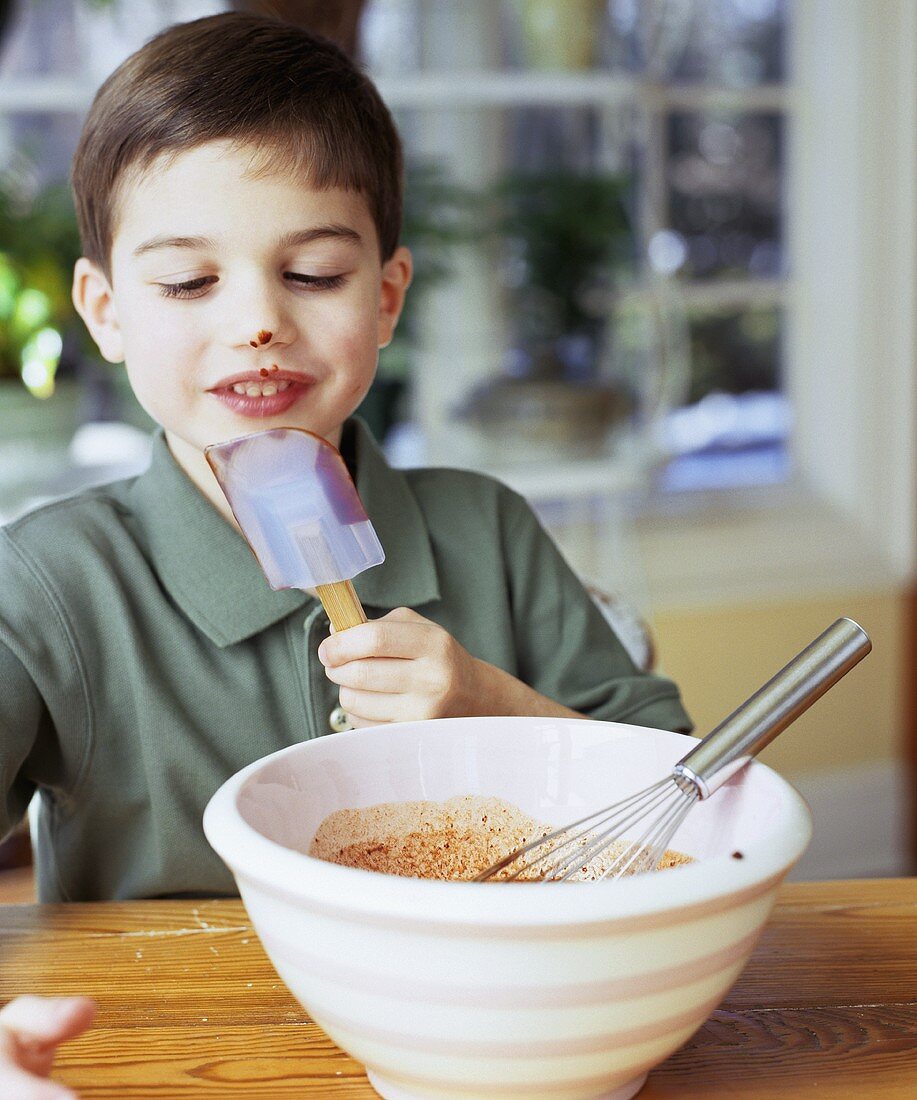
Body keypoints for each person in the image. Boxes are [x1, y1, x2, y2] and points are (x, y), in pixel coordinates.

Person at [0, 12, 691, 1095]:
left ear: (385, 294)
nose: (258, 321)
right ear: (106, 310)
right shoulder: (47, 582)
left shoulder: (486, 529)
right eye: (188, 284)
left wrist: (490, 708)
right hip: (164, 1046)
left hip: (492, 1036)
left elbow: (680, 788)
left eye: (313, 272)